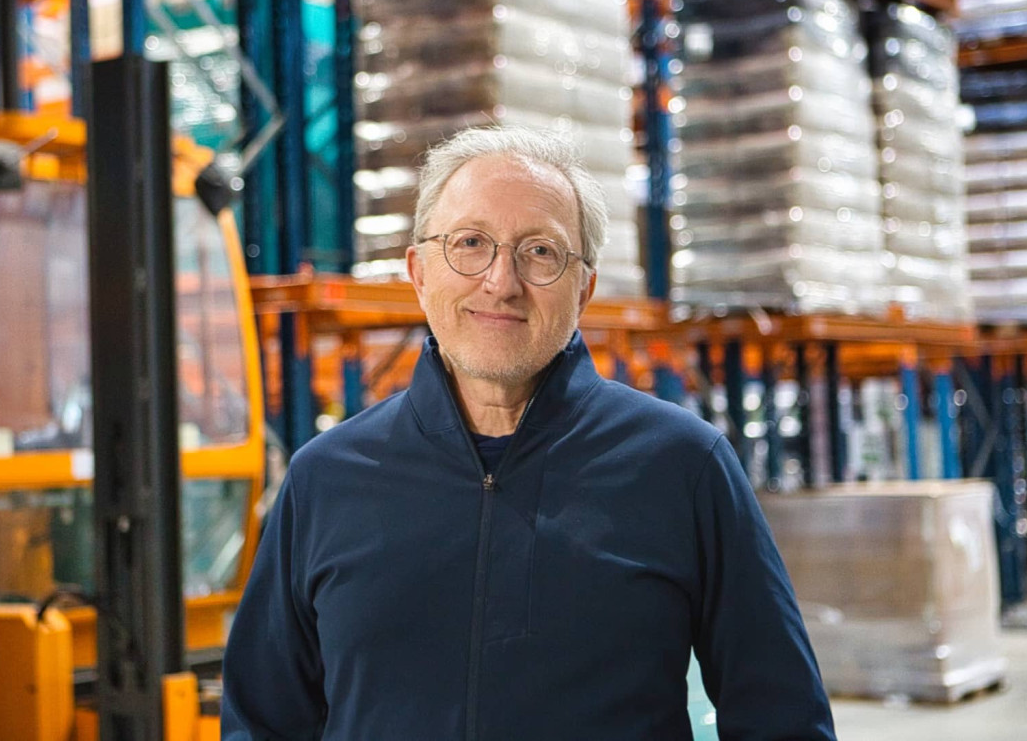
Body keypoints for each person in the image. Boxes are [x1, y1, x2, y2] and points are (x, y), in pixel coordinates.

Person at [222, 126, 837, 740]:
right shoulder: (325, 478)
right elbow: (262, 721)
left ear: (585, 288)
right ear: (419, 271)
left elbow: (780, 716)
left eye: (540, 251)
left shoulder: (682, 465)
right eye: (470, 243)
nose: (501, 281)